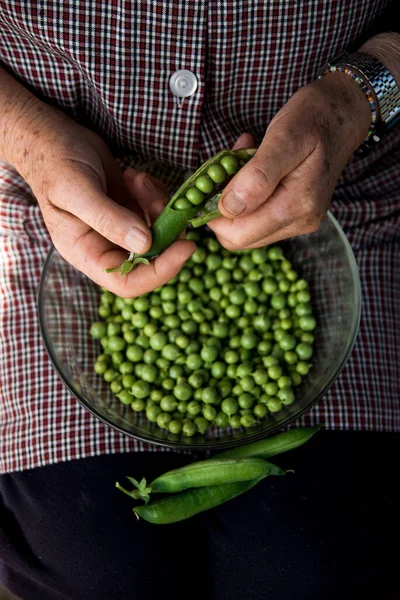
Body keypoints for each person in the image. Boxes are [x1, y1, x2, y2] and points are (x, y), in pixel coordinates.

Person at [0, 2, 399, 599]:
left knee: (316, 565)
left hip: (343, 175)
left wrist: (362, 95)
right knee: (86, 565)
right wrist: (23, 136)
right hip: (54, 196)